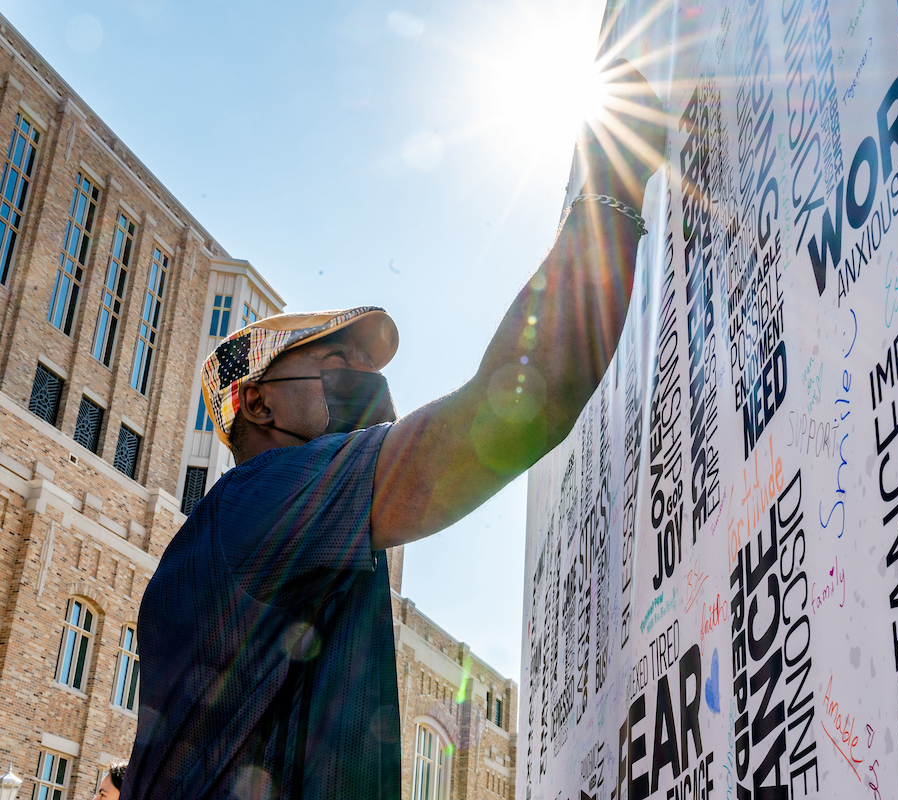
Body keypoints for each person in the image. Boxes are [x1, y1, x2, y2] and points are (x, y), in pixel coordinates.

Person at [122, 60, 666, 799]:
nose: (366, 381)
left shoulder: (232, 545)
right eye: (336, 363)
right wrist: (612, 187)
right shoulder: (266, 498)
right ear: (258, 404)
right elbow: (518, 406)